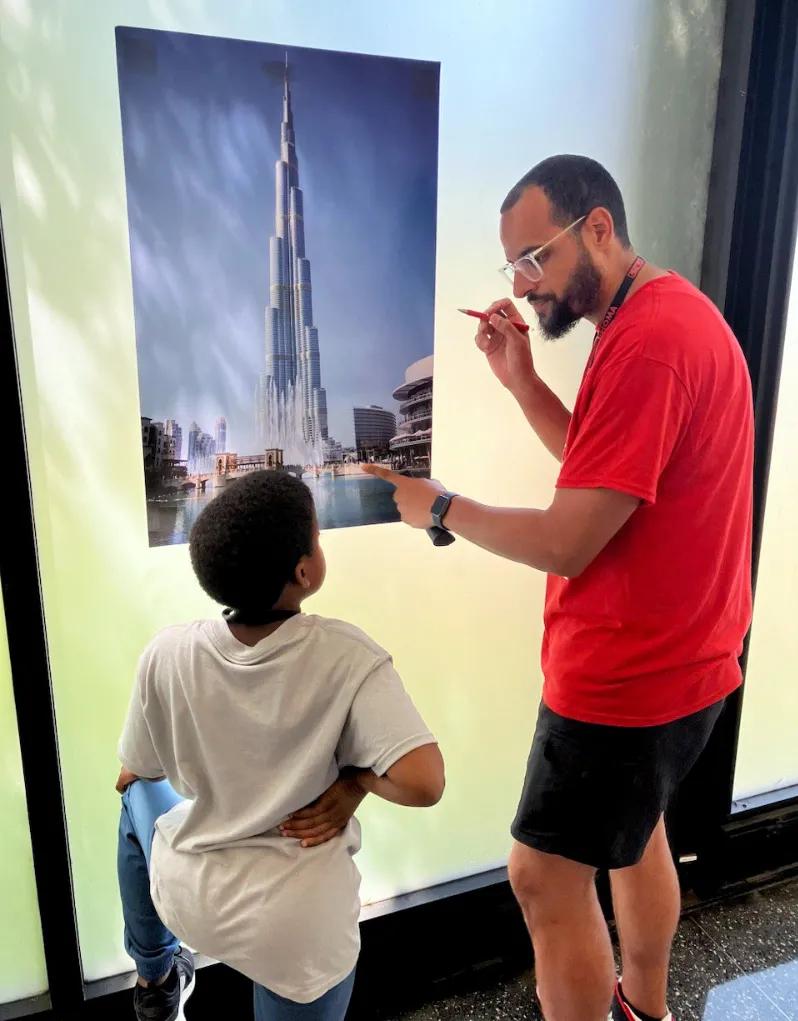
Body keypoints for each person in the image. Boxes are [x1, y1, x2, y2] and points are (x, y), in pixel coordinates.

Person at [363, 154, 753, 1021]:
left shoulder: (648, 343)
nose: (525, 285)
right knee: (633, 829)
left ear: (599, 229)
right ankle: (645, 1009)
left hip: (628, 672)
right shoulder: (666, 313)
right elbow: (608, 476)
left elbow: (571, 540)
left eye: (535, 257)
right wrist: (523, 381)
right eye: (514, 267)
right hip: (689, 654)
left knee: (541, 873)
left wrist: (441, 508)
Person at [115, 470, 445, 1021]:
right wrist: (356, 781)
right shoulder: (346, 656)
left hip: (192, 898)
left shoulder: (167, 652)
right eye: (316, 537)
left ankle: (155, 977)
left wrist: (144, 770)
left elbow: (138, 770)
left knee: (133, 801)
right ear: (304, 571)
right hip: (296, 929)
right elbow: (424, 782)